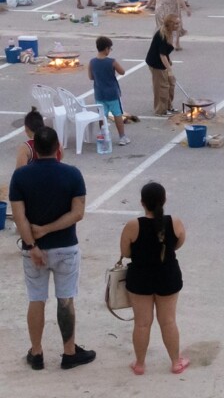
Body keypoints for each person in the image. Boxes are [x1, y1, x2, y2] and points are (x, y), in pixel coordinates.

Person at [10, 126, 96, 371]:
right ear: (58, 148)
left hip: (33, 250)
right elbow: (77, 213)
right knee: (65, 298)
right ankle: (69, 352)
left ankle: (36, 353)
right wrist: (48, 229)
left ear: (34, 149)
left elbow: (19, 217)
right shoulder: (72, 174)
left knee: (36, 299)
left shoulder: (21, 176)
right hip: (66, 247)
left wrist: (33, 244)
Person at [120, 181, 188, 375]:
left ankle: (140, 363)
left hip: (140, 277)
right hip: (168, 275)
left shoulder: (134, 225)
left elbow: (125, 252)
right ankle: (176, 362)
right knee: (168, 321)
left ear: (142, 203)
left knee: (142, 323)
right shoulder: (174, 222)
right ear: (164, 200)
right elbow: (179, 242)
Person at [89, 36, 130, 145]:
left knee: (102, 115)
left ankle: (103, 135)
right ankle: (122, 137)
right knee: (117, 114)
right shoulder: (112, 61)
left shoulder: (92, 62)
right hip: (112, 93)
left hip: (99, 93)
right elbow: (122, 72)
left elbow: (90, 77)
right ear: (107, 49)